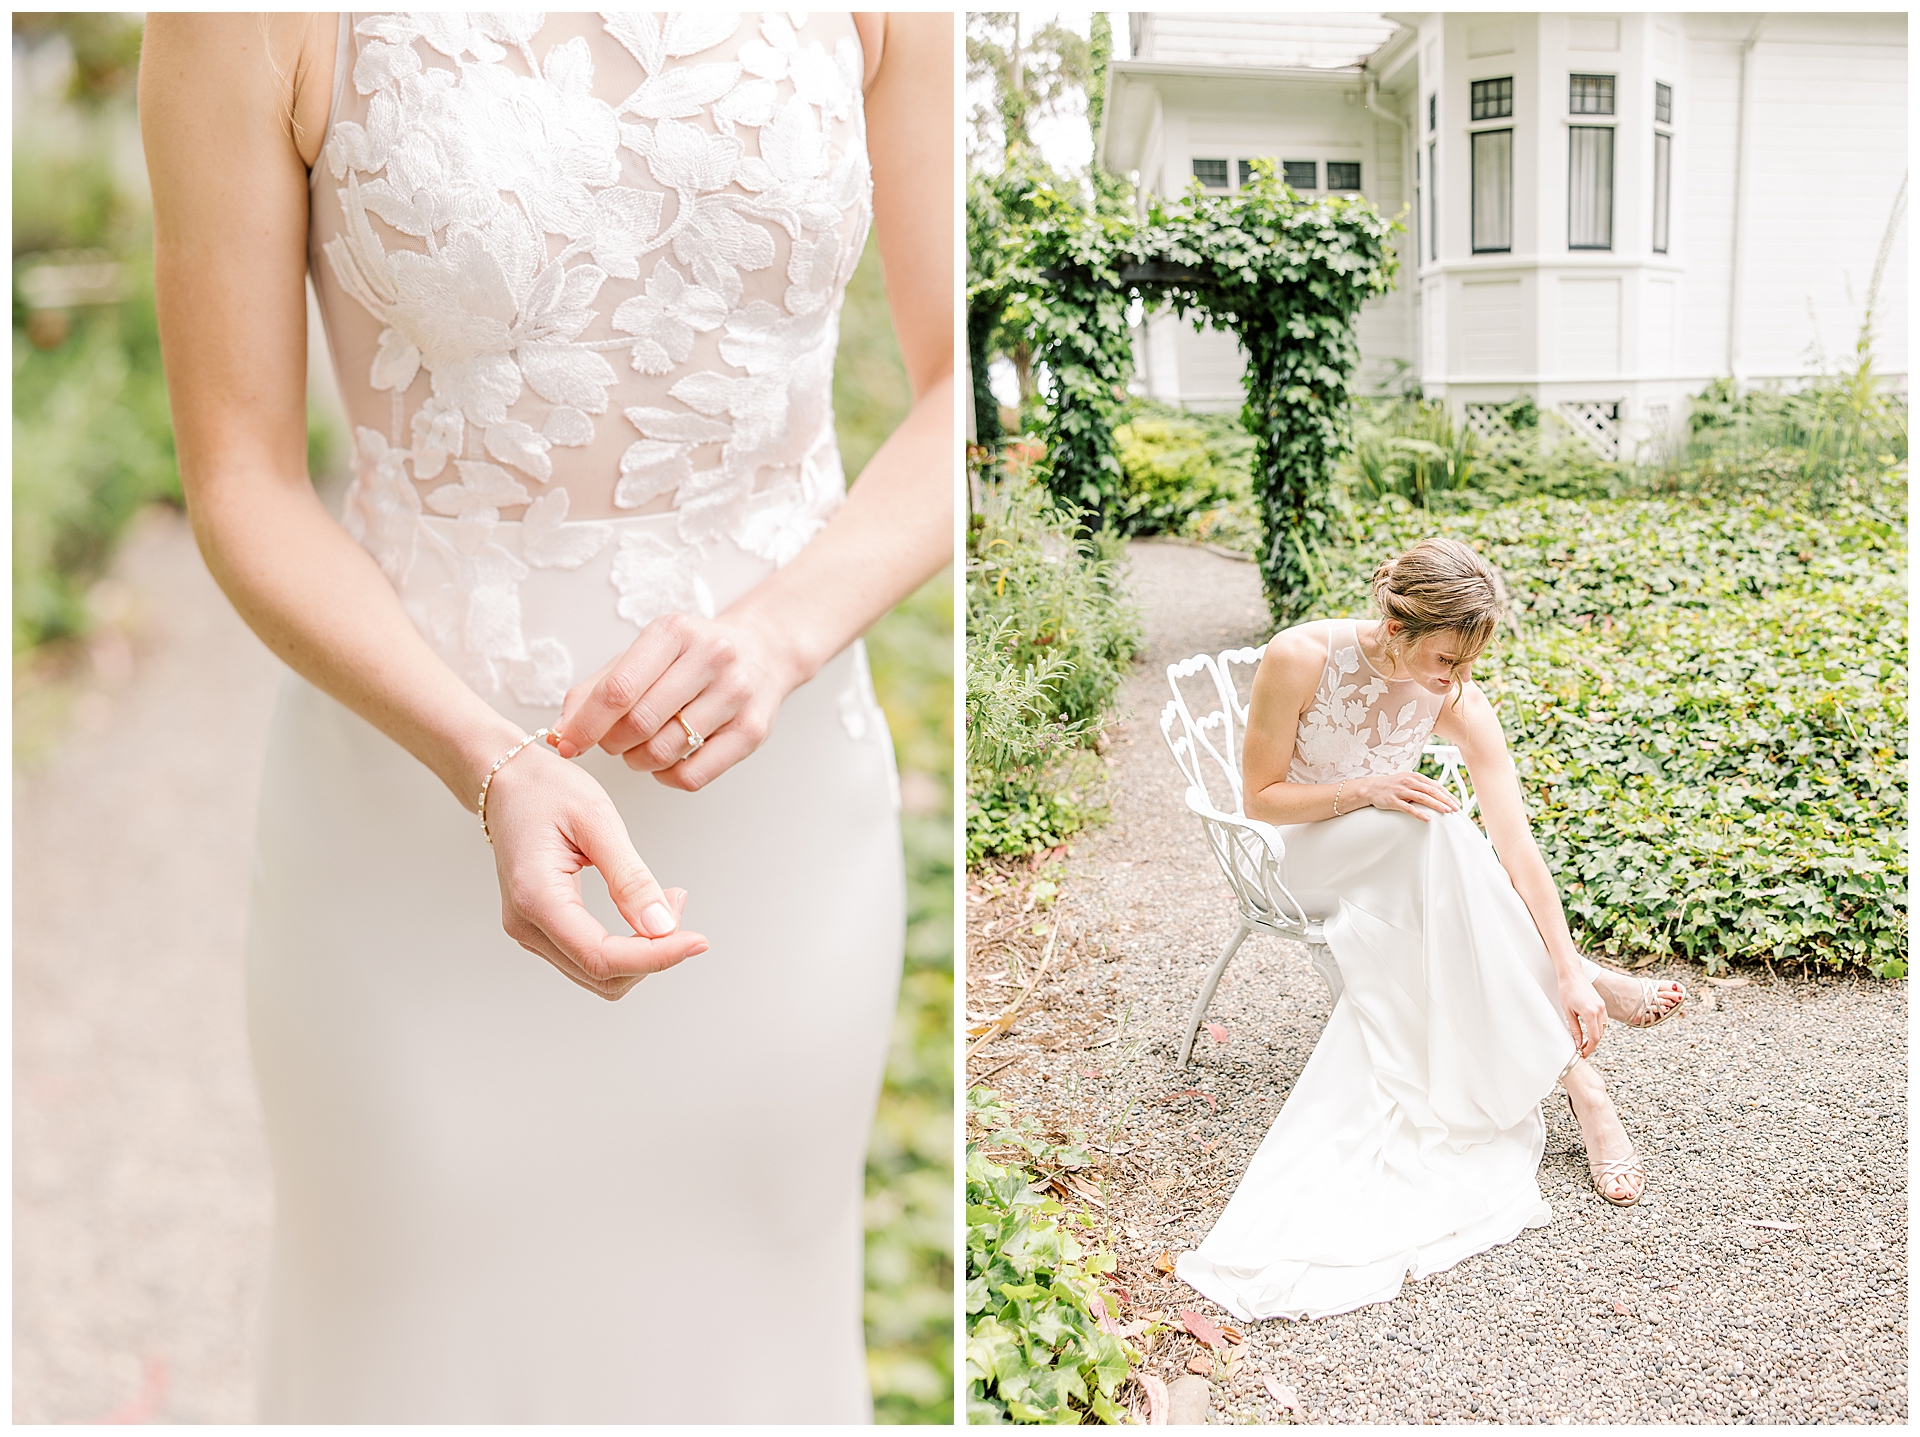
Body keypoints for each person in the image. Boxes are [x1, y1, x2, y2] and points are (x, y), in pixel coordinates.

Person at [140, 12, 951, 1421]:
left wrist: (784, 630)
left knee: (744, 1318)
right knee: (411, 1330)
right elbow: (241, 480)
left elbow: (974, 399)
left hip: (775, 817)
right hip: (411, 822)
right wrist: (490, 759)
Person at [1177, 537, 1683, 1323]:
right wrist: (1368, 787)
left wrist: (1560, 953)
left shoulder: (1452, 694)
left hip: (1399, 861)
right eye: (1447, 657)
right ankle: (1580, 1068)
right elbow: (1261, 798)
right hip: (1300, 852)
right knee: (1434, 834)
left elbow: (1514, 843)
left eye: (1469, 662)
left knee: (1445, 841)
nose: (1454, 680)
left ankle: (1573, 988)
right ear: (1397, 620)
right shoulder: (1301, 654)